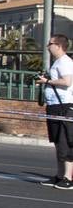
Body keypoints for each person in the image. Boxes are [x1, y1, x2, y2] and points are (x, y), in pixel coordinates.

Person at [38, 35, 73, 191]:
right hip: (55, 105)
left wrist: (47, 81)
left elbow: (67, 82)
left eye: (50, 44)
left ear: (58, 45)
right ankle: (59, 175)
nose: (48, 46)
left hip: (64, 106)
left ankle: (68, 177)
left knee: (65, 141)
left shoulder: (65, 62)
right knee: (58, 142)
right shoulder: (58, 63)